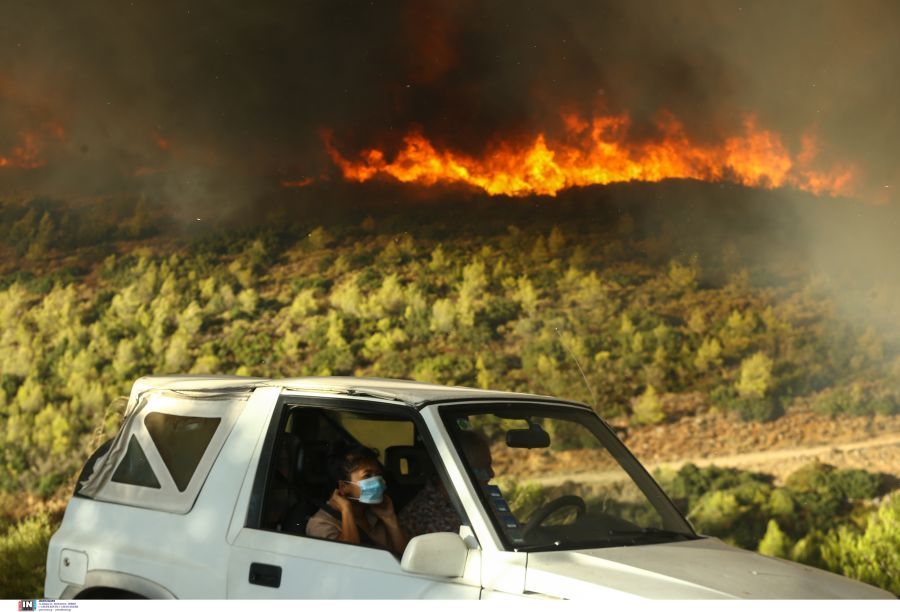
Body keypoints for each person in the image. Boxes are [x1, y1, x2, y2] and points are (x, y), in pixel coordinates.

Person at [306, 445, 408, 557]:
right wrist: (346, 510)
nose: (378, 481)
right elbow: (347, 559)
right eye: (367, 476)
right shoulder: (321, 523)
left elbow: (405, 559)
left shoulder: (375, 514)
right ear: (343, 486)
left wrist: (390, 518)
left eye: (378, 474)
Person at [399, 430, 493, 537]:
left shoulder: (484, 499)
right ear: (457, 470)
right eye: (482, 469)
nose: (491, 474)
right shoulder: (421, 514)